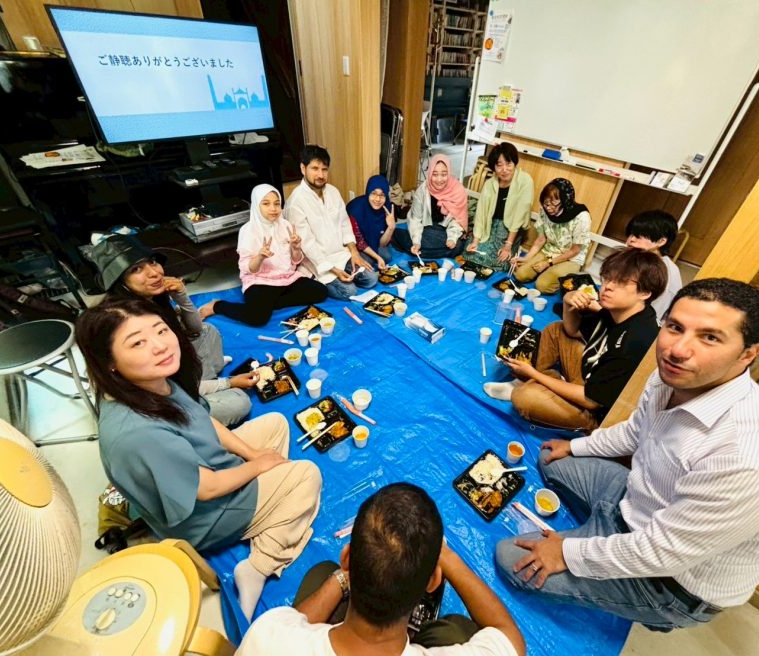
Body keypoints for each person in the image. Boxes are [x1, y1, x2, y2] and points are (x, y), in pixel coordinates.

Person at [495, 279, 759, 631]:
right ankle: (598, 531)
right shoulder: (672, 378)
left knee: (510, 558)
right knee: (552, 459)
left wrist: (567, 553)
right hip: (637, 502)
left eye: (710, 337)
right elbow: (635, 431)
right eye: (675, 327)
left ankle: (648, 604)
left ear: (748, 354)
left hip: (670, 580)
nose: (678, 350)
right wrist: (574, 446)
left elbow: (662, 552)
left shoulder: (753, 459)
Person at [76, 299, 322, 622]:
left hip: (211, 466)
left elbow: (204, 420)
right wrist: (258, 466)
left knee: (275, 423)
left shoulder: (154, 381)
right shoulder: (136, 433)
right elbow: (207, 488)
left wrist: (253, 455)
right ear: (108, 361)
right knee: (307, 475)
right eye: (137, 343)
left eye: (160, 330)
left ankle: (273, 509)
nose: (160, 346)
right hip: (205, 516)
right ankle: (258, 566)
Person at [237, 483, 525, 656]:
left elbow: (292, 623)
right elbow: (508, 636)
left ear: (347, 558)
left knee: (321, 573)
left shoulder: (267, 634)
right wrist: (446, 557)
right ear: (433, 581)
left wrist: (342, 577)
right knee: (458, 629)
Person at [485, 248, 667, 431]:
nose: (607, 287)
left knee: (523, 398)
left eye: (620, 282)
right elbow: (572, 331)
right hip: (591, 377)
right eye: (607, 278)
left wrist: (533, 374)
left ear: (645, 292)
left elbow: (592, 401)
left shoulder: (637, 340)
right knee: (556, 330)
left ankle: (538, 388)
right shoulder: (619, 310)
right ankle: (531, 382)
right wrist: (567, 300)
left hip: (599, 413)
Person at [93, 234, 254, 426]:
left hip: (178, 379)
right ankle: (207, 392)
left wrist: (181, 296)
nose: (154, 273)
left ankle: (207, 382)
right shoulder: (127, 320)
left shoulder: (150, 298)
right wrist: (229, 383)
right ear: (120, 282)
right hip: (164, 401)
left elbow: (195, 329)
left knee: (207, 331)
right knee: (239, 402)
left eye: (152, 262)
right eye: (136, 269)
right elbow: (171, 386)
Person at [198, 184, 328, 327]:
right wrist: (260, 257)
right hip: (260, 281)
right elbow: (249, 269)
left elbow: (295, 261)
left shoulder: (286, 225)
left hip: (286, 278)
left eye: (277, 204)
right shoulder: (247, 231)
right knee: (257, 318)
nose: (273, 208)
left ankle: (270, 304)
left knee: (321, 292)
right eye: (266, 204)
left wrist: (296, 248)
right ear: (256, 205)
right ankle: (218, 306)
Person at [284, 145, 378, 300]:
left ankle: (348, 272)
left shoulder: (333, 191)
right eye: (315, 169)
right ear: (303, 168)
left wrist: (354, 252)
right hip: (318, 262)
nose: (320, 175)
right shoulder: (296, 202)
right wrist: (334, 270)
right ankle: (315, 279)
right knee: (349, 292)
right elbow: (307, 245)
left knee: (371, 279)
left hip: (341, 254)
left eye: (324, 169)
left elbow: (344, 224)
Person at [513, 179, 592, 294]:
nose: (549, 208)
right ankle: (545, 271)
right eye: (546, 204)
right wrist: (527, 258)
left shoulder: (581, 216)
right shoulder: (545, 210)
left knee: (542, 285)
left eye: (554, 204)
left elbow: (575, 250)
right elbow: (541, 239)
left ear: (565, 201)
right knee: (520, 274)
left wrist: (548, 264)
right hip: (549, 251)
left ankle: (549, 272)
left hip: (570, 258)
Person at [465, 142, 534, 272]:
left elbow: (520, 215)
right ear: (494, 167)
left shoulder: (525, 181)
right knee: (470, 253)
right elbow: (481, 214)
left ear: (514, 163)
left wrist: (508, 245)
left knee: (498, 260)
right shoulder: (489, 184)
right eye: (499, 165)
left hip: (510, 230)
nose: (504, 169)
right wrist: (475, 241)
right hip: (490, 226)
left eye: (508, 163)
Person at [392, 155, 467, 260]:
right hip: (426, 228)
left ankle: (406, 243)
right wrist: (416, 242)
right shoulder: (423, 190)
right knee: (422, 241)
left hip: (445, 231)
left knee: (457, 246)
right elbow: (415, 219)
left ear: (449, 173)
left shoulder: (458, 190)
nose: (439, 179)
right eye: (435, 174)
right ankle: (410, 243)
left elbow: (458, 220)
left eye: (444, 174)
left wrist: (452, 238)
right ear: (430, 173)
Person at [624, 210, 683, 323]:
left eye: (639, 236)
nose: (631, 240)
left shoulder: (664, 272)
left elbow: (651, 317)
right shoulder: (638, 258)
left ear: (661, 241)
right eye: (631, 234)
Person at [347, 174, 396, 268]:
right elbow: (360, 242)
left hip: (373, 242)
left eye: (382, 195)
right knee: (370, 261)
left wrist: (391, 227)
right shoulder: (356, 210)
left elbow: (382, 244)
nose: (377, 199)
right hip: (354, 245)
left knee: (387, 257)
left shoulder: (387, 209)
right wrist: (378, 257)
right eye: (373, 193)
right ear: (368, 192)